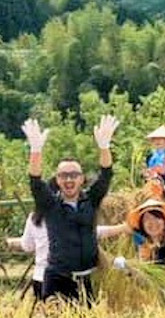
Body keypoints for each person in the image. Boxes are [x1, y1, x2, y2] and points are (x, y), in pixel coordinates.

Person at [22, 115, 119, 305]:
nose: (69, 180)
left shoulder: (91, 200)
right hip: (57, 280)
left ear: (82, 179)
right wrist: (35, 151)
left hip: (87, 281)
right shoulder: (50, 205)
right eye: (63, 176)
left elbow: (106, 174)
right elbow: (35, 181)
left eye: (74, 175)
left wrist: (104, 147)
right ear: (57, 180)